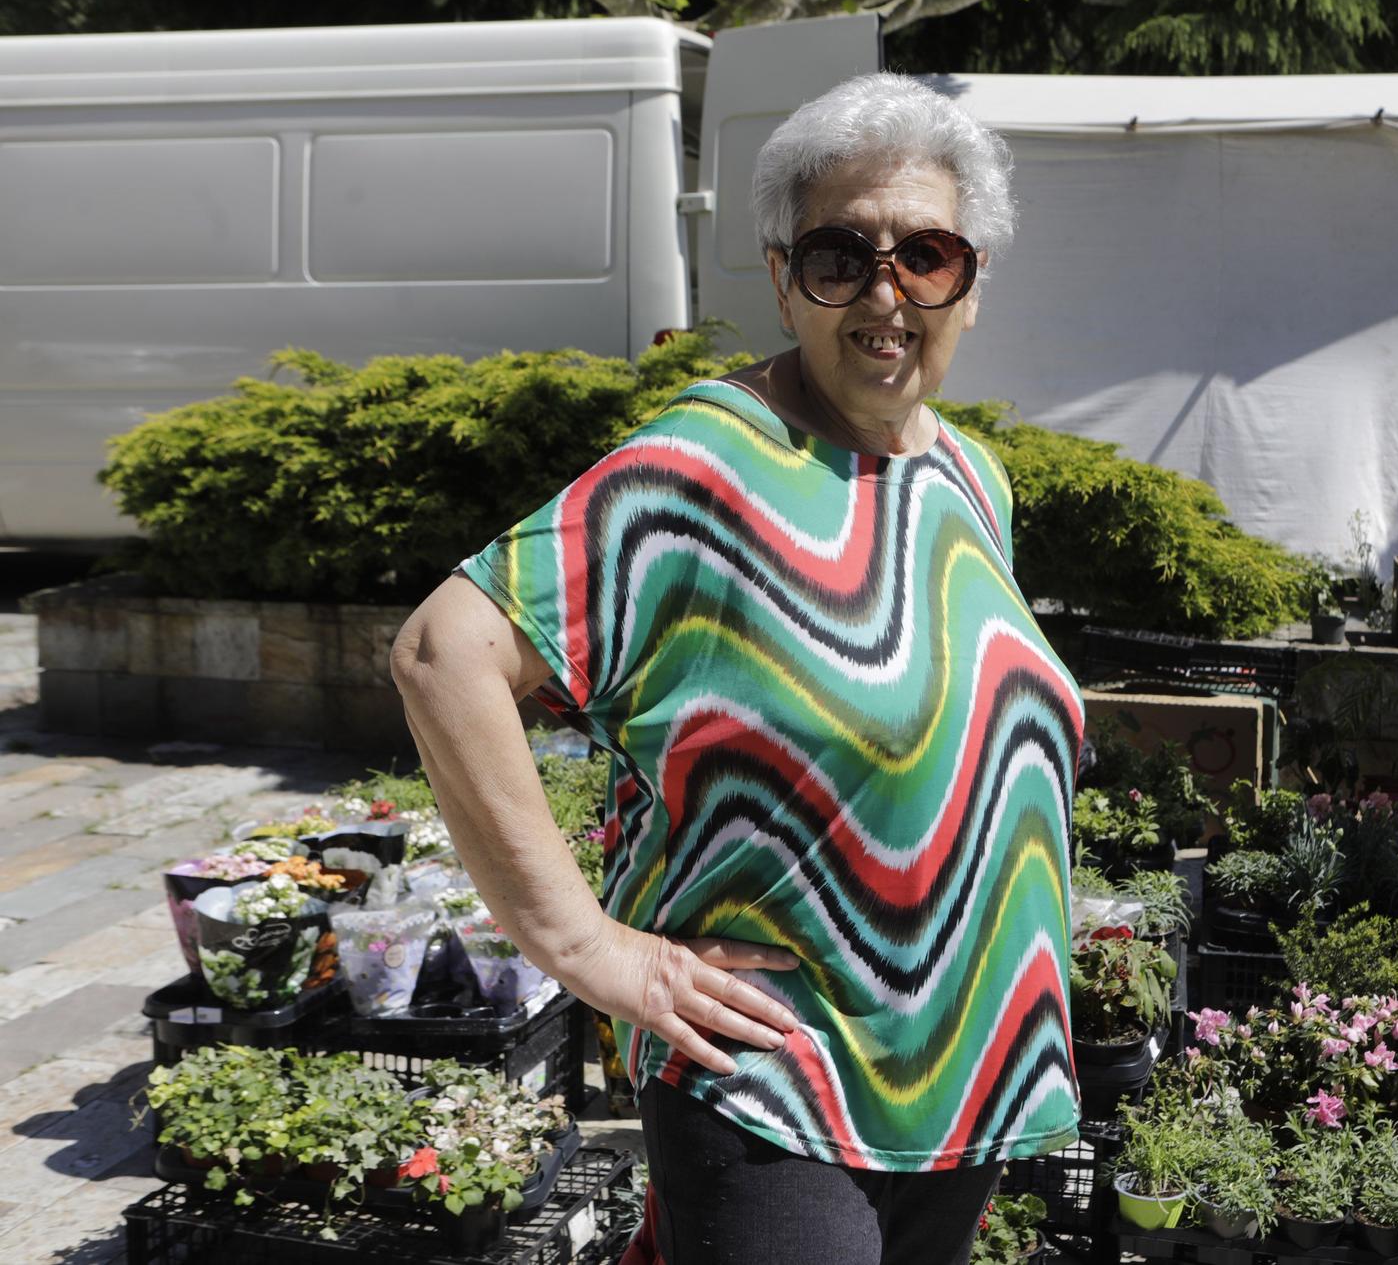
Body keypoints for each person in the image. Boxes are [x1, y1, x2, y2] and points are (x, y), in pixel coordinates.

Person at [391, 71, 1085, 1265]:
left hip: (964, 1078)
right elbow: (442, 650)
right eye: (837, 256)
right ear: (781, 277)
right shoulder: (706, 459)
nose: (884, 293)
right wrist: (589, 951)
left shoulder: (973, 476)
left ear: (970, 281)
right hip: (783, 1083)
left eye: (924, 255)